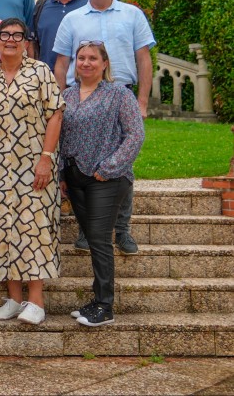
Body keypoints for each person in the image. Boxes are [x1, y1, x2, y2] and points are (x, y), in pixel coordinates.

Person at [53, 0, 155, 255]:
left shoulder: (132, 14)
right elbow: (61, 63)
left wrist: (142, 101)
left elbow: (143, 58)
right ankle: (87, 230)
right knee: (81, 163)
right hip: (81, 96)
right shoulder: (73, 19)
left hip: (121, 95)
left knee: (123, 164)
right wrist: (59, 103)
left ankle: (122, 230)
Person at [0, 18, 64, 326]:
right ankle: (13, 299)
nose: (10, 39)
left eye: (17, 35)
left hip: (34, 165)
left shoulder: (40, 72)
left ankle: (36, 302)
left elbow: (55, 115)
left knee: (34, 228)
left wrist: (46, 158)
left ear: (26, 42)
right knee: (2, 228)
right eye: (5, 35)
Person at [60, 40, 145, 327]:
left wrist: (109, 168)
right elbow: (61, 136)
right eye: (81, 58)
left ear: (105, 63)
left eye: (92, 58)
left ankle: (105, 306)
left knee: (98, 239)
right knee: (92, 237)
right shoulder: (67, 95)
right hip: (75, 177)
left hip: (106, 178)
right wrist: (62, 175)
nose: (86, 63)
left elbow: (135, 135)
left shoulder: (119, 94)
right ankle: (96, 300)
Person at [29, 0, 89, 70]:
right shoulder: (40, 8)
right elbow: (32, 44)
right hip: (48, 77)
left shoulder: (90, 4)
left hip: (84, 76)